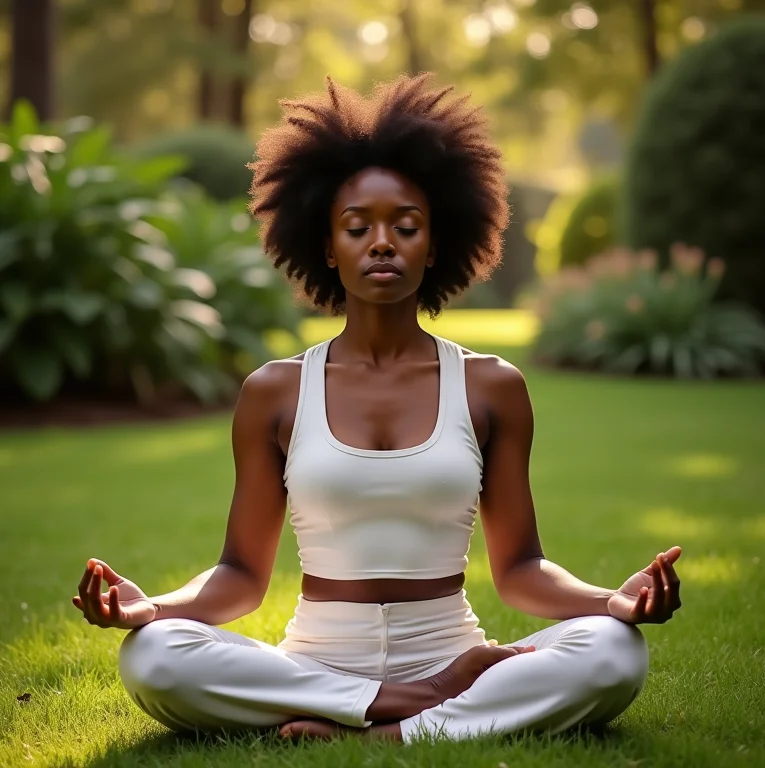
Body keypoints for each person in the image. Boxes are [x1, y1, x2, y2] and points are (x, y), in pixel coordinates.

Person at [72, 73, 682, 743]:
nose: (382, 242)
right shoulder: (274, 392)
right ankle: (418, 706)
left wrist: (614, 602)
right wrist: (151, 609)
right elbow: (241, 577)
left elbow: (520, 572)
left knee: (615, 650)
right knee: (154, 656)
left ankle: (381, 728)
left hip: (453, 652)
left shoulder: (491, 386)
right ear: (326, 248)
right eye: (357, 227)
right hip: (314, 661)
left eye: (406, 226)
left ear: (436, 243)